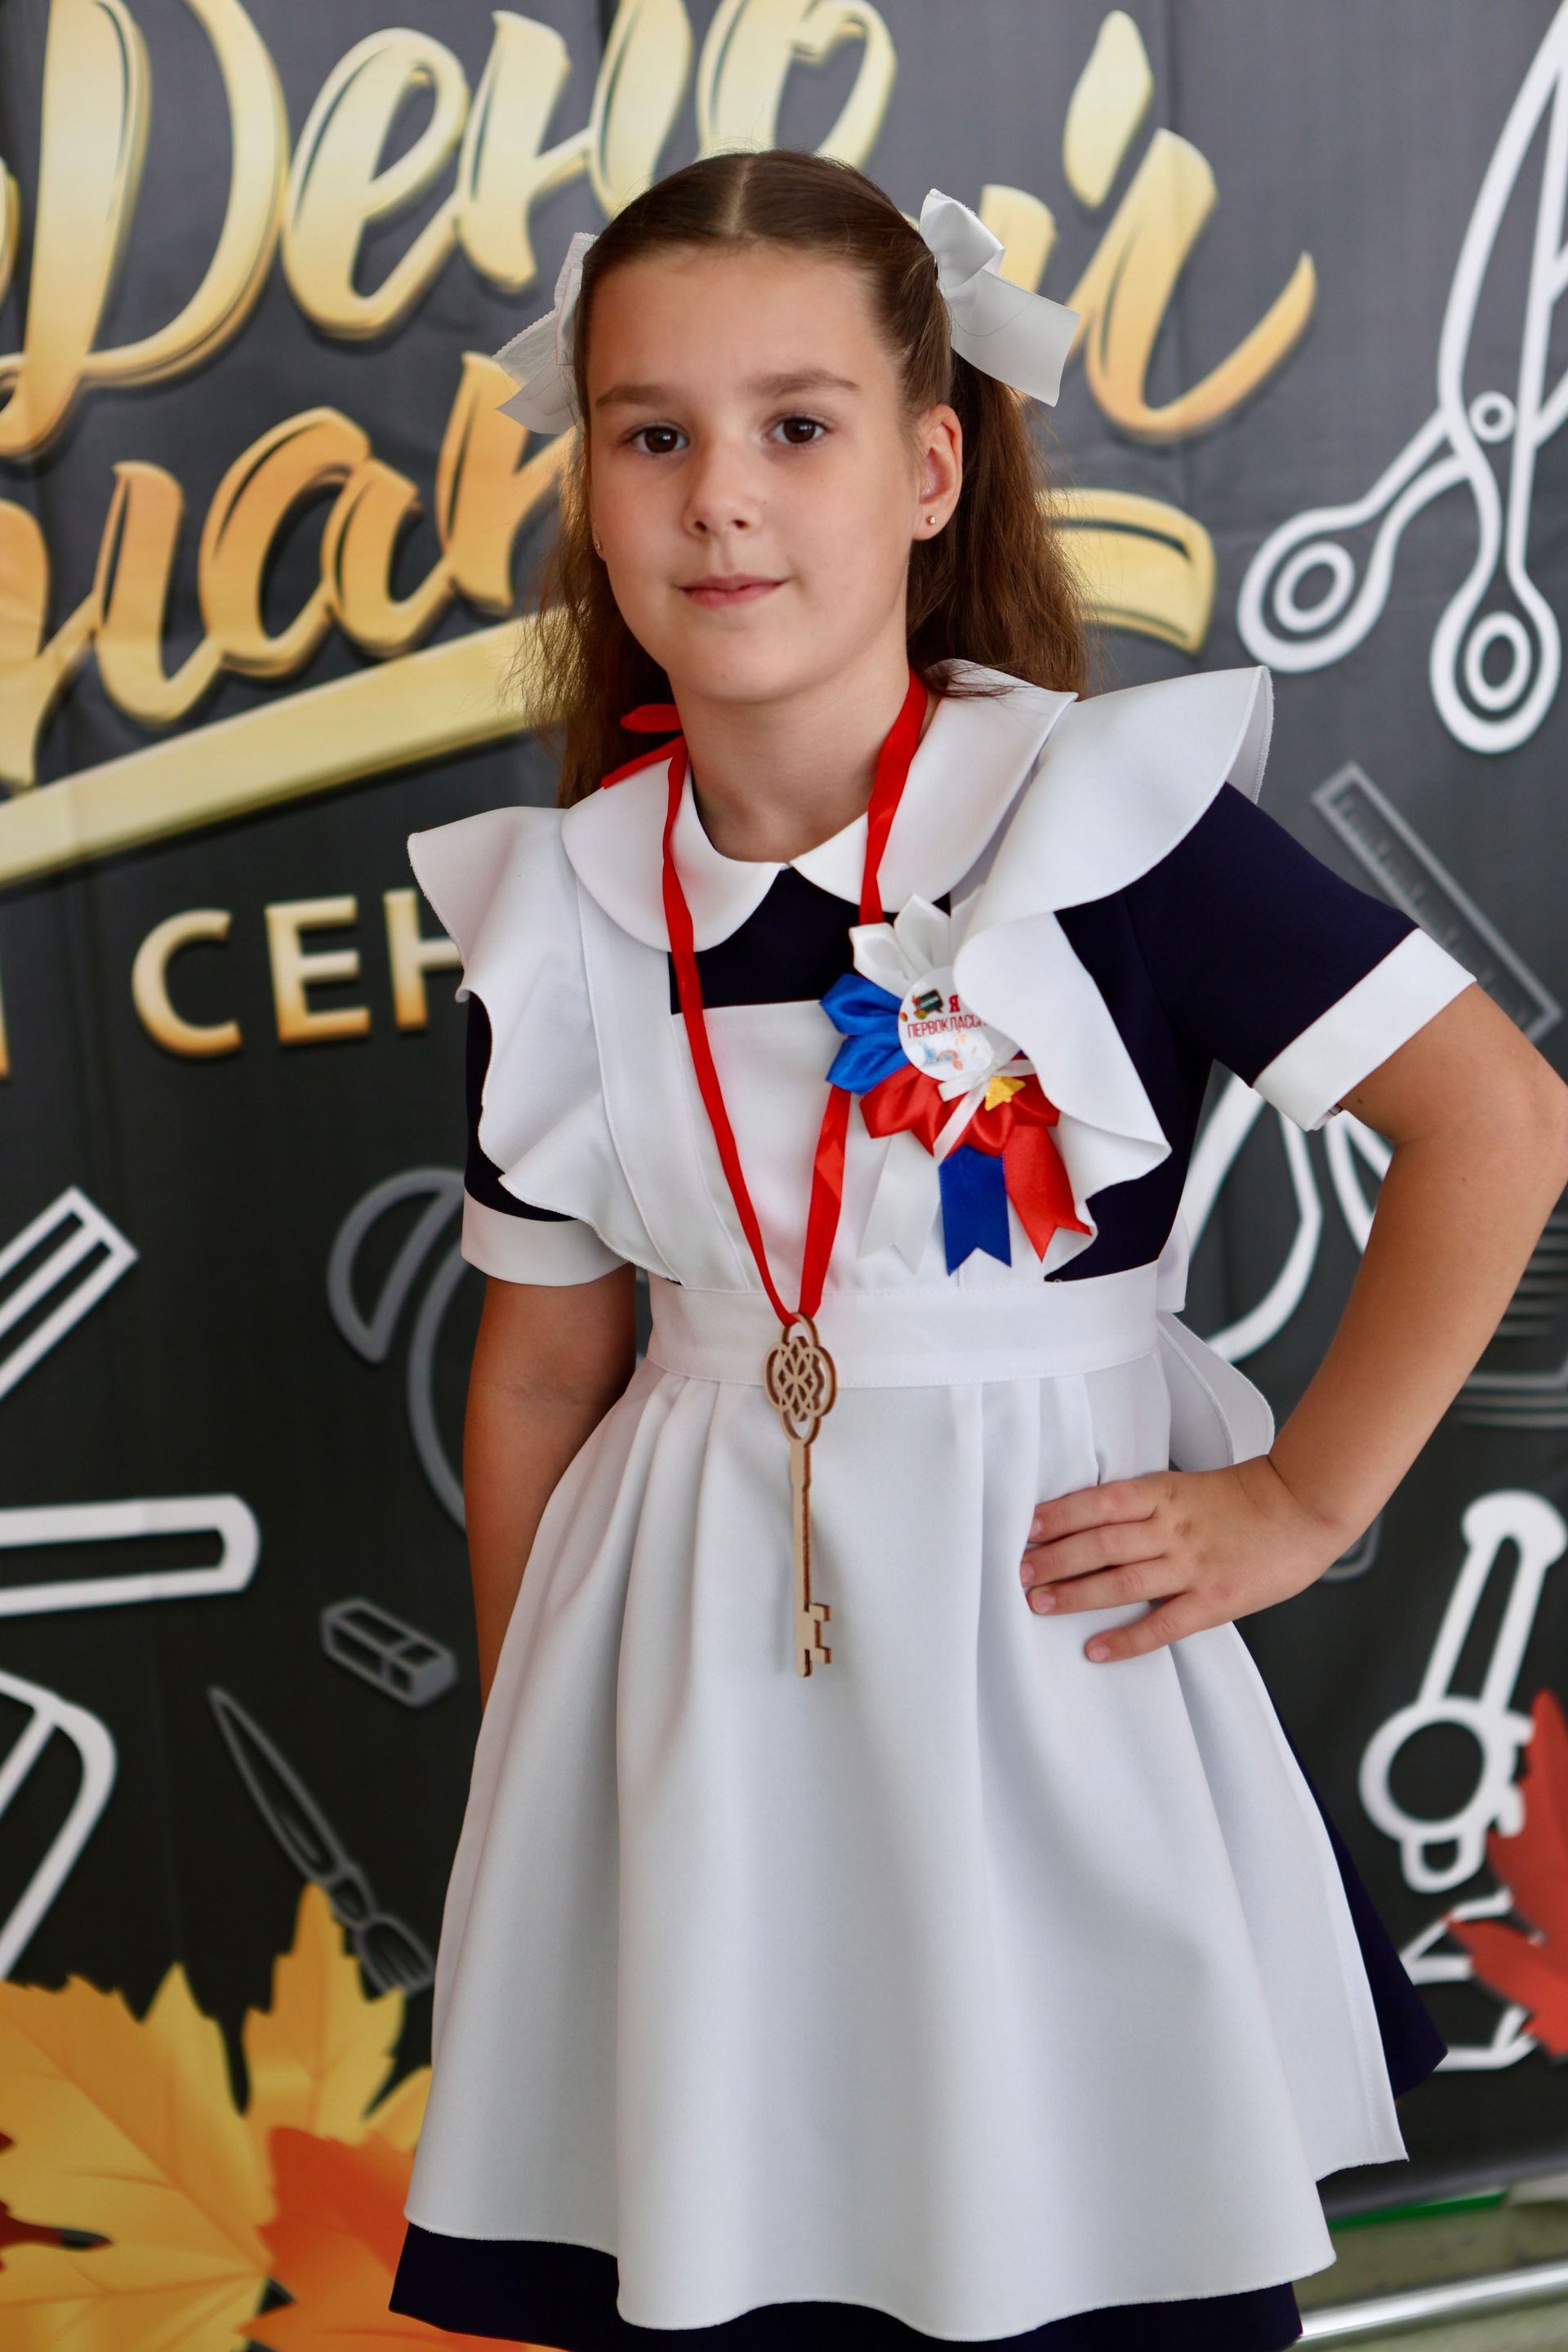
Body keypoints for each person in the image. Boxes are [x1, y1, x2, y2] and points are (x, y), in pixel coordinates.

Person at [389, 152, 1568, 2352]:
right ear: (592, 487)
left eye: (796, 425)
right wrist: (547, 1754)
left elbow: (1494, 1116)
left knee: (1090, 2243)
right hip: (689, 1694)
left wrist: (1305, 1502)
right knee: (728, 2253)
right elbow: (543, 1368)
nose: (721, 498)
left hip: (1043, 1683)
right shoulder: (560, 911)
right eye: (652, 434)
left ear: (931, 468)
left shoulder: (1098, 821)